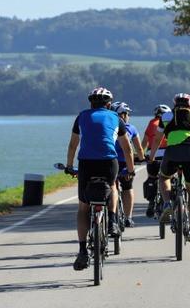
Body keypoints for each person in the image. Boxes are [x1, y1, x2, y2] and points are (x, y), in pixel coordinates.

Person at [65, 87, 136, 271]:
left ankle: (82, 251)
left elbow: (73, 144)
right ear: (109, 104)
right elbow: (127, 148)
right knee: (112, 185)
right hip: (108, 163)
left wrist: (69, 166)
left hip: (86, 164)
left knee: (83, 207)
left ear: (91, 103)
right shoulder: (116, 118)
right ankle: (112, 221)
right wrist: (130, 169)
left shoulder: (81, 117)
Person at [148, 93, 190, 242]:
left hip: (173, 153)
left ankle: (167, 202)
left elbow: (157, 139)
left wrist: (151, 157)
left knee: (163, 177)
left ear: (174, 104)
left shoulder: (166, 117)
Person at [110, 101, 145, 229]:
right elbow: (139, 149)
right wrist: (141, 158)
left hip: (110, 161)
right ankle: (128, 217)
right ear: (123, 115)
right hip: (125, 162)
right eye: (127, 113)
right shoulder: (131, 128)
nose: (128, 116)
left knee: (111, 186)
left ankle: (111, 215)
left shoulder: (108, 126)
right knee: (127, 187)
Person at [141, 104, 170, 218]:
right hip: (168, 155)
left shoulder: (151, 123)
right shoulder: (169, 123)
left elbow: (144, 142)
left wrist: (142, 155)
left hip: (153, 156)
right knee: (169, 177)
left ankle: (151, 203)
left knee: (151, 177)